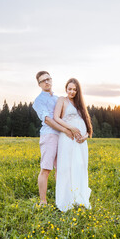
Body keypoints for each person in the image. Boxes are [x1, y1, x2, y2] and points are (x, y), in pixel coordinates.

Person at [32, 71, 76, 205]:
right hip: (49, 135)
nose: (47, 82)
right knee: (46, 169)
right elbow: (48, 120)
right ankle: (43, 201)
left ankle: (61, 199)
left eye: (48, 79)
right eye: (43, 80)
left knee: (61, 169)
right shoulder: (39, 101)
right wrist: (64, 129)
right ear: (39, 84)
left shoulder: (57, 98)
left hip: (62, 137)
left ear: (51, 80)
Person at [54, 78, 93, 212]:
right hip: (67, 138)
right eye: (69, 89)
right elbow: (56, 118)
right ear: (66, 89)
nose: (72, 91)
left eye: (74, 89)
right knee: (65, 166)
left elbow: (87, 125)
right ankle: (66, 199)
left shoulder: (80, 104)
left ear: (77, 91)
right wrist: (71, 128)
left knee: (80, 166)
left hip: (80, 142)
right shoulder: (62, 100)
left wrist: (85, 136)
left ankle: (79, 196)